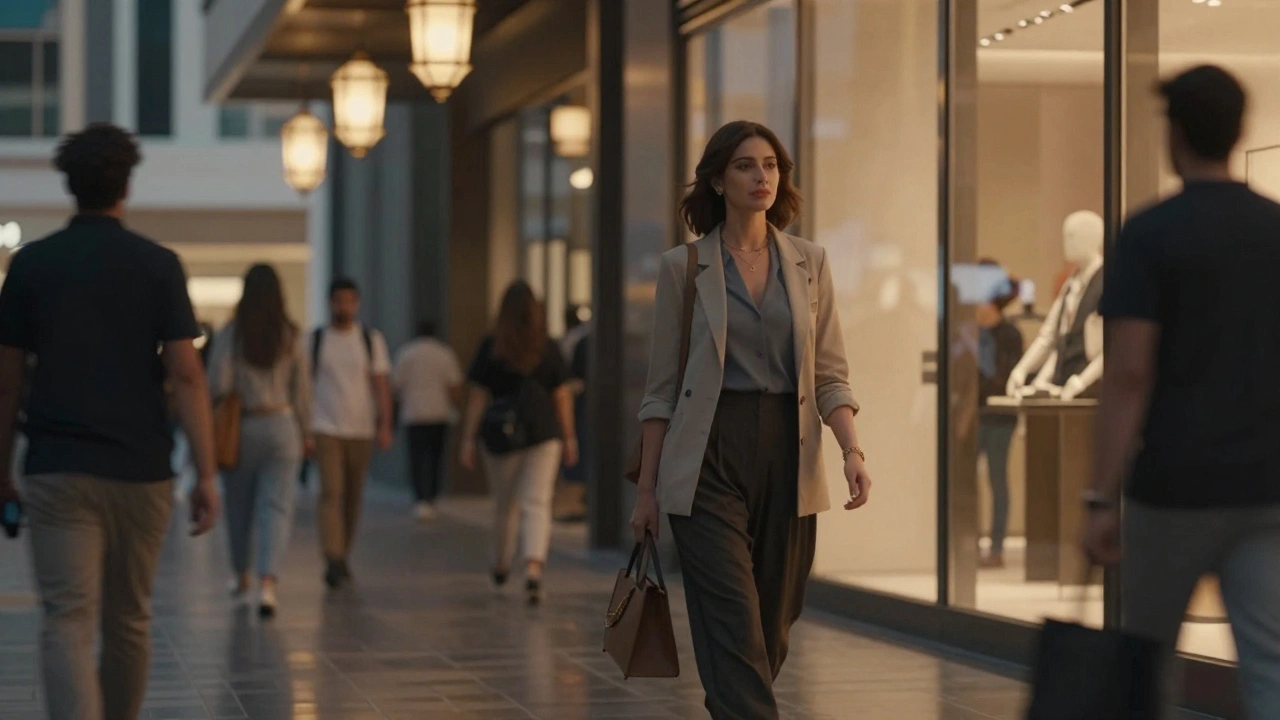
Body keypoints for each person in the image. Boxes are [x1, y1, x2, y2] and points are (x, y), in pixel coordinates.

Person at [630, 120, 871, 719]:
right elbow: (660, 392)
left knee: (771, 625)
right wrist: (646, 491)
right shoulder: (683, 269)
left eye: (770, 165)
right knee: (731, 618)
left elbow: (830, 374)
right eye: (744, 165)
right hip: (707, 453)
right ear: (718, 179)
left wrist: (851, 451)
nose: (761, 176)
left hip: (790, 456)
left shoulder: (810, 263)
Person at [0, 122, 220, 720]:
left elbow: (7, 379)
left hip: (58, 467)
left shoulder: (32, 267)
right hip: (140, 469)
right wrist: (205, 473)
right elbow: (187, 374)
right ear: (126, 184)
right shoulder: (158, 266)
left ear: (70, 186)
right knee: (129, 618)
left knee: (67, 618)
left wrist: (3, 471)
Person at [1084, 65, 1280, 717]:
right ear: (1237, 130)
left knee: (1147, 658)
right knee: (1268, 659)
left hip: (1173, 485)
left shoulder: (1150, 234)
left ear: (1174, 132)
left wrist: (1098, 495)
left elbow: (1129, 371)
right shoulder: (1274, 228)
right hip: (1267, 484)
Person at [459, 282, 578, 606]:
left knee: (504, 504)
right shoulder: (547, 346)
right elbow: (561, 394)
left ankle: (500, 563)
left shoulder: (492, 346)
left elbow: (479, 395)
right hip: (544, 432)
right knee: (537, 502)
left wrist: (468, 438)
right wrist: (569, 437)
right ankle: (533, 569)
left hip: (501, 435)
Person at [208, 264, 312, 617]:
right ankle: (268, 585)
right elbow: (302, 391)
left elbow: (218, 383)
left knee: (239, 508)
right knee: (277, 508)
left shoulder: (233, 333)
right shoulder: (290, 335)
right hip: (283, 425)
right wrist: (307, 431)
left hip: (244, 428)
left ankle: (241, 576)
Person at [310, 277, 393, 589]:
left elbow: (381, 384)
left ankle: (343, 553)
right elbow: (306, 385)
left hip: (361, 428)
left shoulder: (371, 340)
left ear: (356, 303)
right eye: (338, 300)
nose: (343, 306)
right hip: (325, 426)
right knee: (331, 491)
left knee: (353, 496)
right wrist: (305, 427)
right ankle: (332, 555)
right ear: (330, 303)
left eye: (349, 300)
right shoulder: (317, 340)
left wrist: (385, 425)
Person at [975, 260, 1024, 568]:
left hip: (999, 416)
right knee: (963, 482)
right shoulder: (966, 330)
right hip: (972, 414)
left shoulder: (1010, 333)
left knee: (997, 479)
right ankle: (966, 543)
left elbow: (1005, 377)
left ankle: (996, 548)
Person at [392, 320, 463, 520]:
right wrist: (455, 407)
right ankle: (432, 495)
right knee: (436, 456)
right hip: (438, 413)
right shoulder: (444, 354)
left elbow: (396, 386)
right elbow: (455, 385)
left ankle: (420, 498)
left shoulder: (407, 354)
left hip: (414, 413)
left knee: (417, 458)